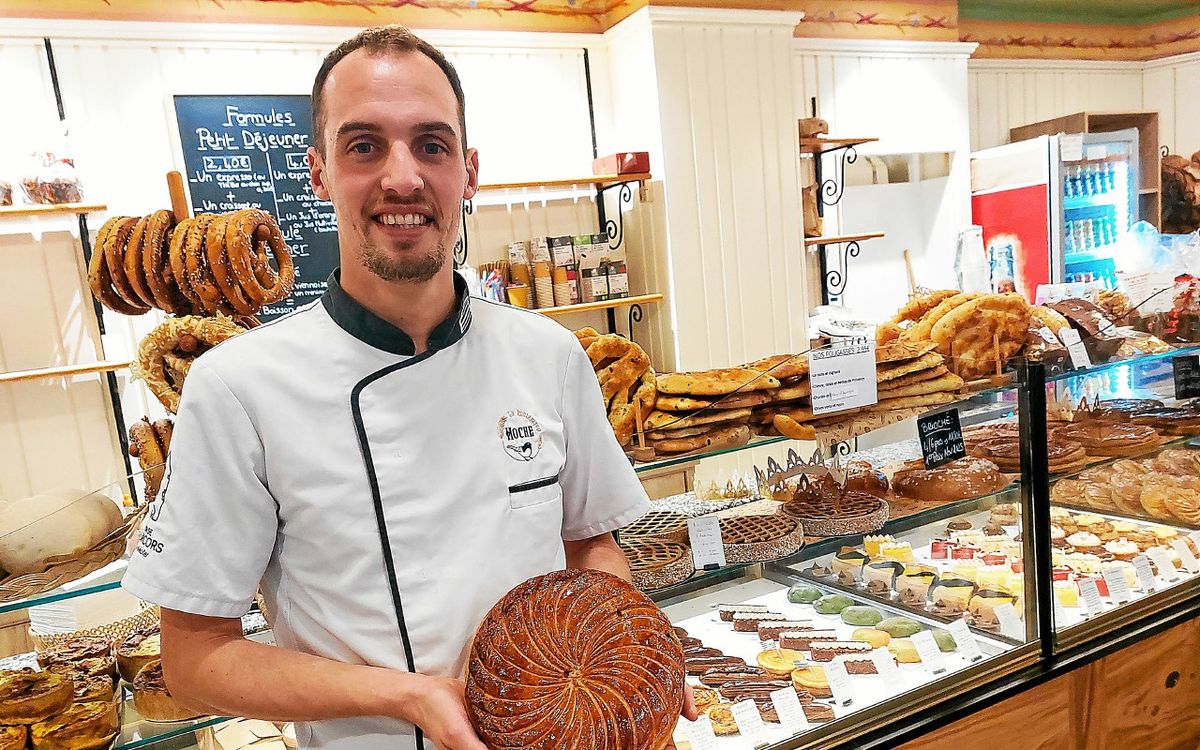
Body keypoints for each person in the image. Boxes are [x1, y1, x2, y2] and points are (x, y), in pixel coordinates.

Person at [123, 25, 695, 750]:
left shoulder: (548, 355)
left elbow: (590, 547)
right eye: (364, 146)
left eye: (432, 144)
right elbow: (196, 660)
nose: (403, 178)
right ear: (319, 173)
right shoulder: (238, 387)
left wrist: (626, 662)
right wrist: (411, 697)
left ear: (469, 171)